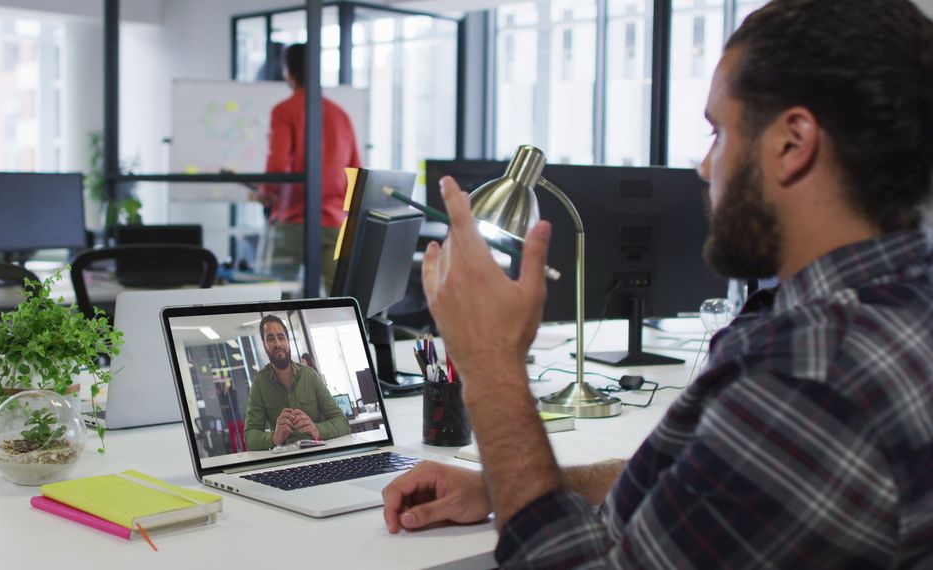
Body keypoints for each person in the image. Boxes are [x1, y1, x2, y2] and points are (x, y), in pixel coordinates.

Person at [381, 0, 933, 566]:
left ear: (792, 143)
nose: (704, 165)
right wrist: (500, 485)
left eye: (719, 132)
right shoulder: (894, 308)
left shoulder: (812, 375)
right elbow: (701, 485)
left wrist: (492, 368)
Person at [257, 43, 362, 293]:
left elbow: (278, 165)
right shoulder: (340, 115)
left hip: (292, 218)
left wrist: (266, 193)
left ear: (288, 72)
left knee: (275, 298)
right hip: (332, 220)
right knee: (340, 299)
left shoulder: (285, 111)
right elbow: (354, 169)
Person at [244, 315, 349, 450]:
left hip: (318, 453)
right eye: (270, 339)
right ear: (264, 345)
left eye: (281, 337)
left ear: (288, 341)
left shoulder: (310, 376)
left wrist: (316, 429)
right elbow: (250, 437)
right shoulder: (259, 383)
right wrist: (274, 437)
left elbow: (342, 423)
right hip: (284, 459)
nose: (277, 344)